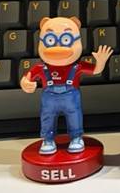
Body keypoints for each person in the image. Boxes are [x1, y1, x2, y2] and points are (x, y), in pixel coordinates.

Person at [20, 16, 113, 154]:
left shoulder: (77, 66)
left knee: (74, 116)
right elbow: (26, 78)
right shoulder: (40, 67)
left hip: (71, 96)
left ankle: (76, 138)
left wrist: (101, 62)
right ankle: (48, 139)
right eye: (50, 40)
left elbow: (96, 70)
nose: (58, 48)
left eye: (66, 40)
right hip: (49, 98)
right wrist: (26, 84)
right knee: (47, 117)